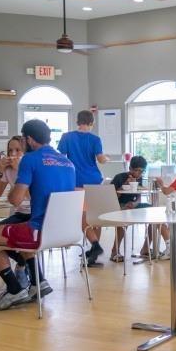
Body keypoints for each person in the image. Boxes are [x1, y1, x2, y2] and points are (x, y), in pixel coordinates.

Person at [0, 119, 76, 310]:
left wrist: (20, 177)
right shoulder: (67, 162)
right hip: (63, 232)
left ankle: (14, 289)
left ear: (29, 139)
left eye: (22, 141)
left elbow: (14, 200)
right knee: (16, 228)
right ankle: (37, 282)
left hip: (38, 231)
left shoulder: (31, 159)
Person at [0, 136, 35, 287]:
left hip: (35, 215)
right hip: (19, 215)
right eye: (10, 150)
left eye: (18, 150)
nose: (13, 154)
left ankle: (24, 268)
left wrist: (20, 171)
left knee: (13, 237)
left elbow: (32, 197)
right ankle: (22, 266)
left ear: (25, 152)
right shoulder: (8, 170)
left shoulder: (30, 166)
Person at [58, 110, 109, 265]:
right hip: (95, 181)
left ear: (77, 121)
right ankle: (95, 247)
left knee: (83, 217)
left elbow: (60, 158)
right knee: (95, 216)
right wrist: (106, 158)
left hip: (77, 182)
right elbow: (101, 160)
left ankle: (95, 247)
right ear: (92, 123)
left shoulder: (66, 137)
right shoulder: (95, 139)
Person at [109, 155, 151, 262]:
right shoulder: (119, 177)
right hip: (117, 206)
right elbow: (111, 197)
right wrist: (125, 185)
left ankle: (146, 248)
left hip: (132, 207)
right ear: (130, 169)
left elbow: (139, 197)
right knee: (125, 215)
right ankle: (115, 251)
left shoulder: (140, 179)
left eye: (142, 171)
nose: (139, 174)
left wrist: (134, 204)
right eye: (137, 170)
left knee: (153, 211)